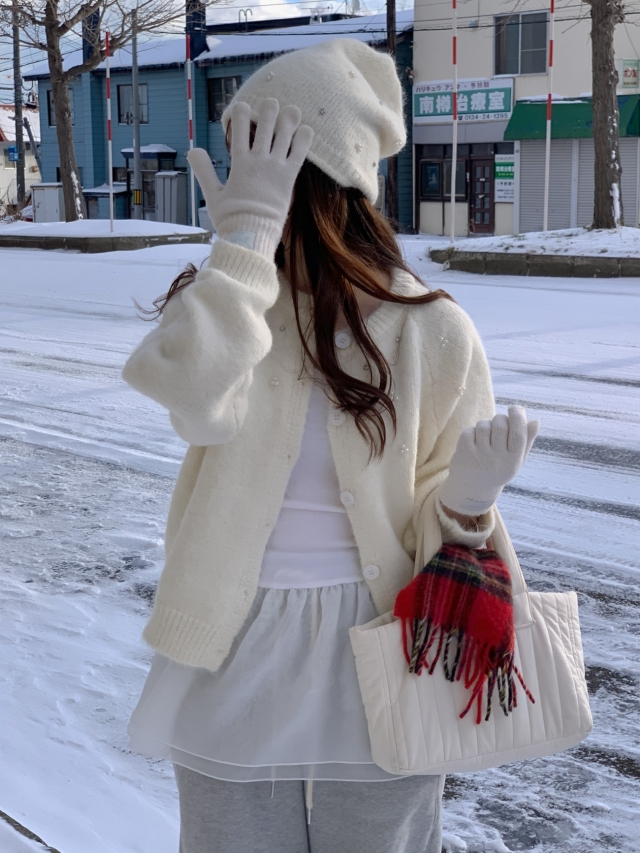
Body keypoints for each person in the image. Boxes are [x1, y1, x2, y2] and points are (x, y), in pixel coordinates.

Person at [122, 39, 538, 853]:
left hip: (384, 640)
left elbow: (439, 521)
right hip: (234, 637)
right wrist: (243, 246)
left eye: (263, 157)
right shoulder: (231, 300)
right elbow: (194, 405)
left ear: (319, 179)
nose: (242, 179)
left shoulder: (432, 329)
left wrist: (467, 500)